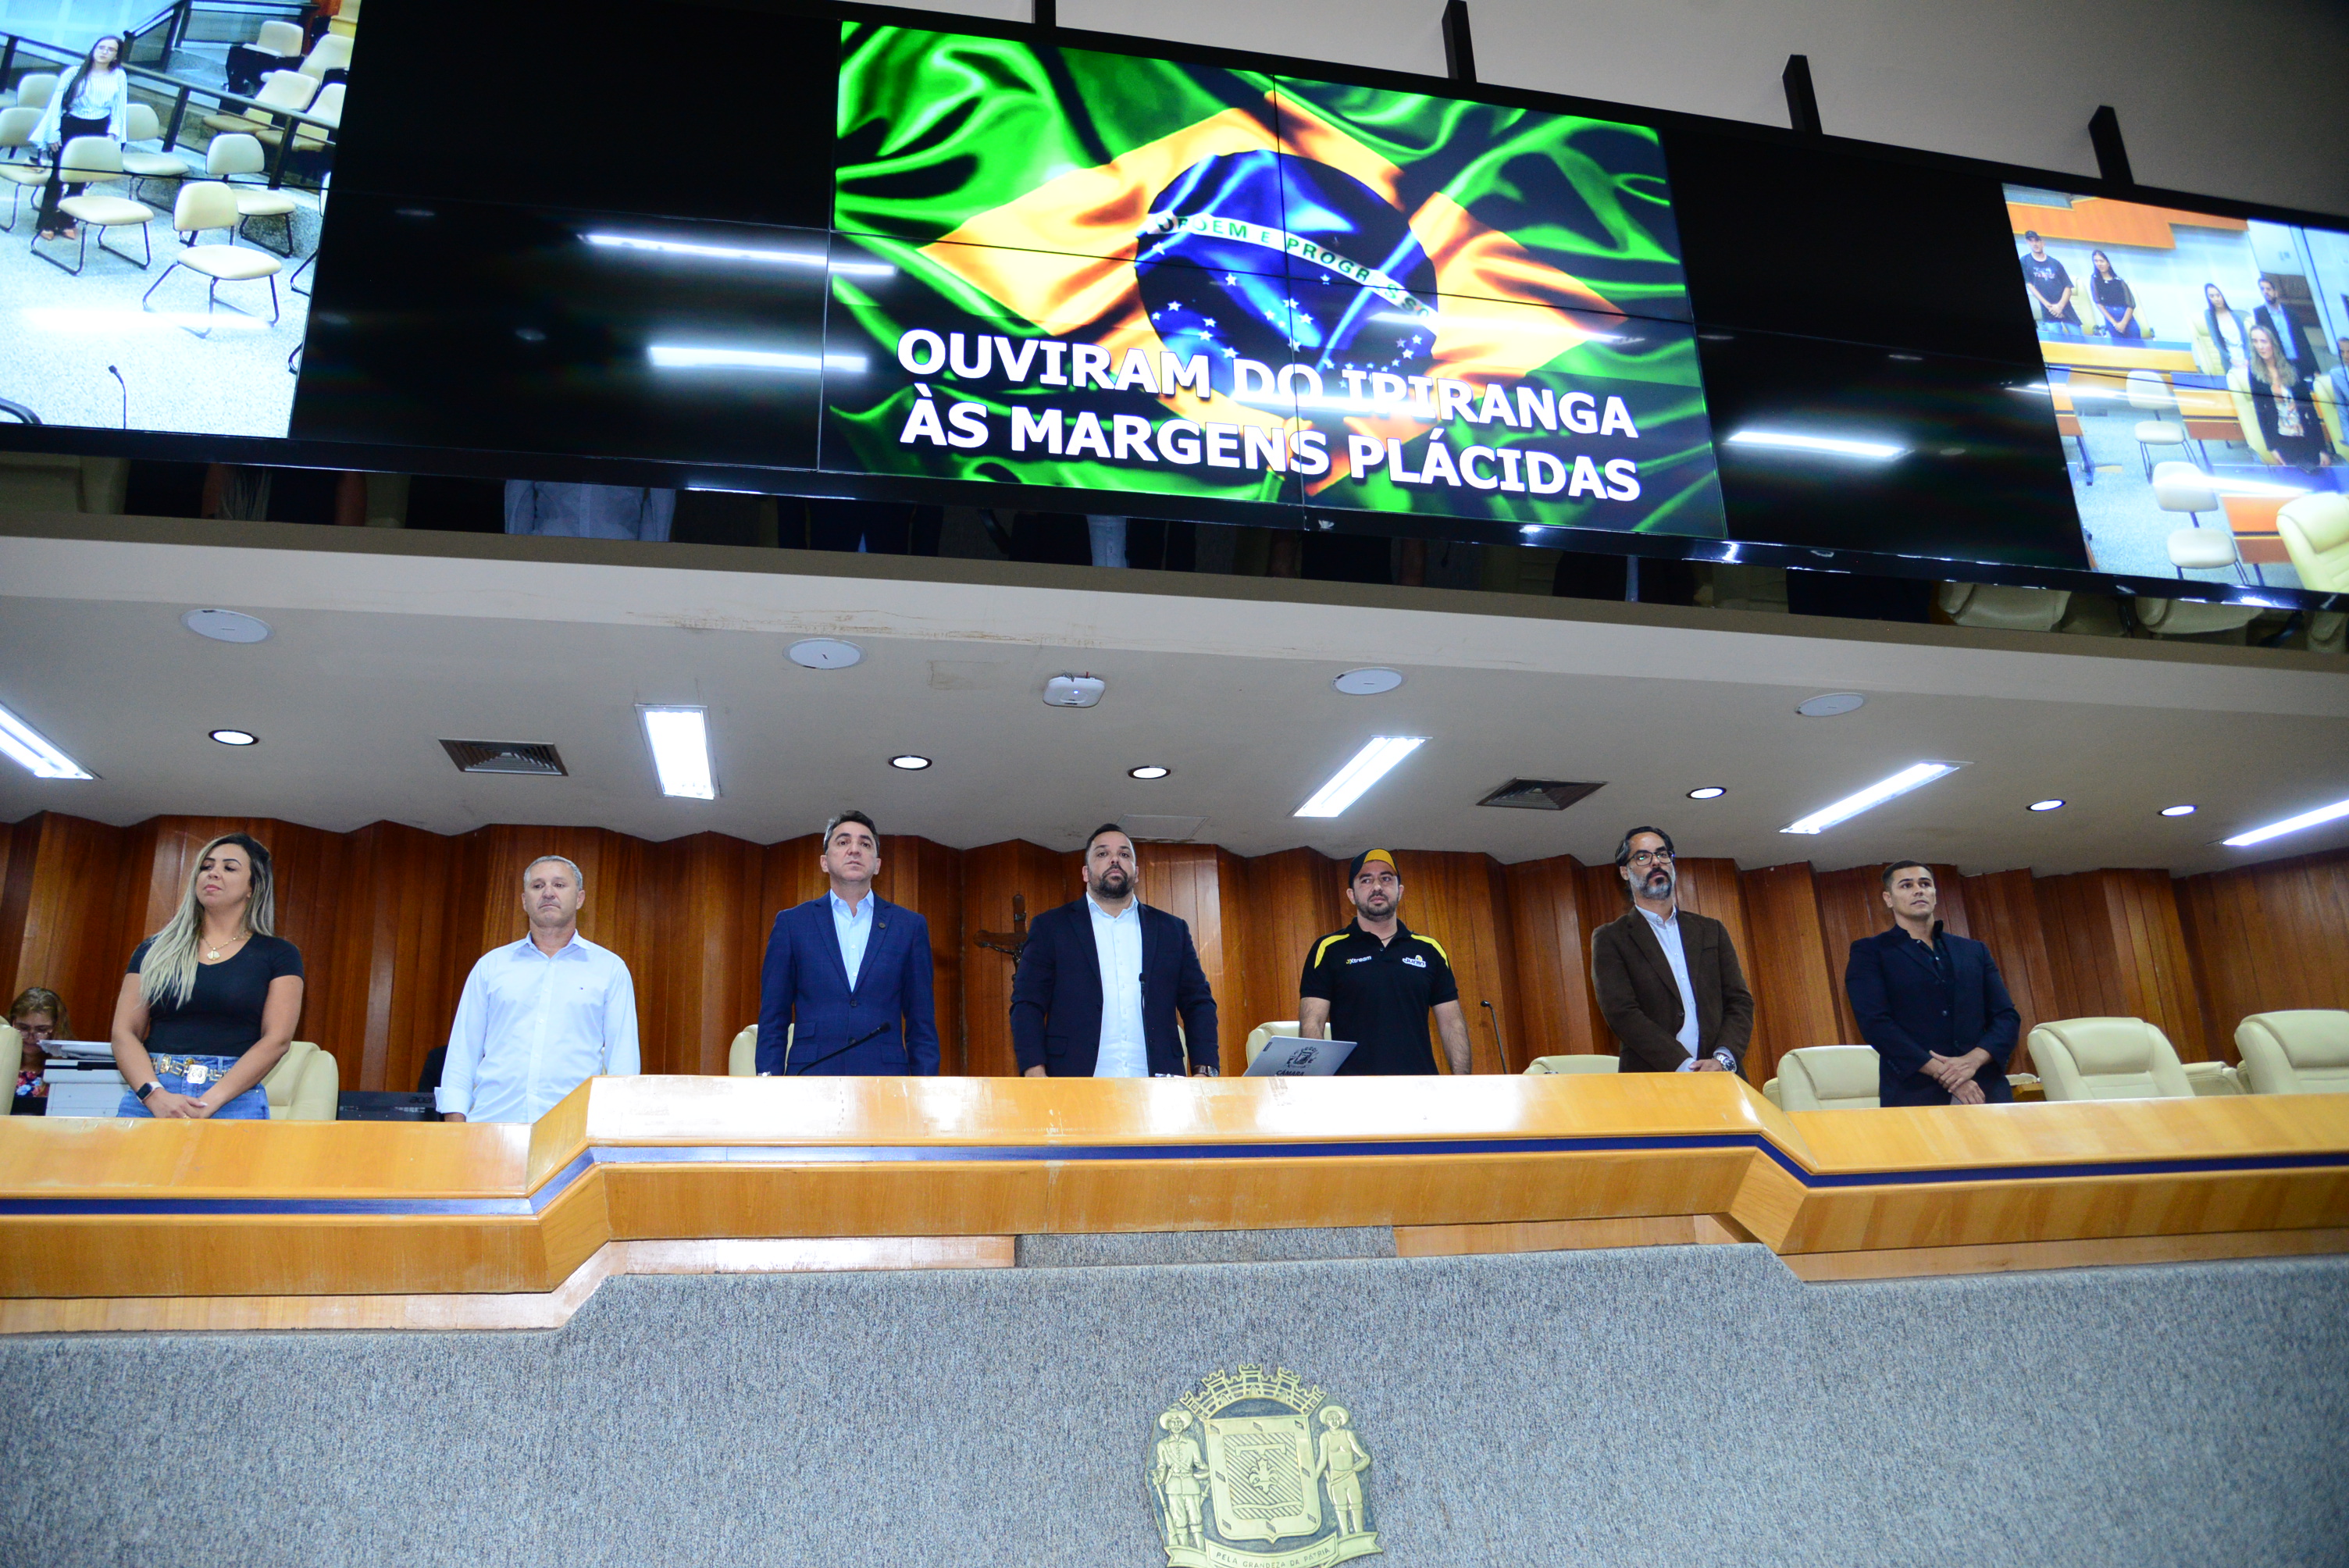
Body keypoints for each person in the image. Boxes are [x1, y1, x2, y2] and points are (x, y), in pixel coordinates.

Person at [109, 834, 304, 1121]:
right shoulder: (154, 950)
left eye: (229, 867)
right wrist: (154, 1095)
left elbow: (277, 1040)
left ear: (252, 887)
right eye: (206, 866)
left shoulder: (279, 954)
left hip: (233, 1098)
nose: (213, 873)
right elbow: (124, 1032)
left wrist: (208, 1102)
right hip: (153, 1094)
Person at [438, 855, 639, 1123]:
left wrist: (617, 1129)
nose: (548, 893)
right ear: (524, 901)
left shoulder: (609, 969)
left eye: (559, 885)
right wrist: (454, 1127)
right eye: (538, 886)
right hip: (492, 1124)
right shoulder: (491, 966)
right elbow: (463, 1051)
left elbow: (623, 1061)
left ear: (579, 898)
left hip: (574, 1130)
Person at [1010, 824, 1220, 1078]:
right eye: (1102, 854)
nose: (1114, 859)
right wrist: (1034, 1072)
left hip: (1159, 1084)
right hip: (1074, 1081)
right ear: (1085, 873)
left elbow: (1198, 1003)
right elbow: (1027, 1003)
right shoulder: (1052, 927)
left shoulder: (1171, 930)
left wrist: (1204, 1070)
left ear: (1137, 872)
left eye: (1124, 854)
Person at [755, 811, 939, 1075]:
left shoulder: (909, 926)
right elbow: (774, 1016)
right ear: (824, 862)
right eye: (843, 842)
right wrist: (767, 1082)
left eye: (865, 844)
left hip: (885, 1078)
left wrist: (926, 1088)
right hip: (810, 1075)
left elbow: (921, 1021)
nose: (854, 850)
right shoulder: (792, 923)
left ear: (877, 864)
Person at [1845, 861, 2019, 1107]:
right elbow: (1875, 1024)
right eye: (1907, 885)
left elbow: (2006, 1017)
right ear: (1888, 899)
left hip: (1985, 1087)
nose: (1919, 890)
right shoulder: (1871, 951)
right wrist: (1946, 1073)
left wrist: (1973, 1061)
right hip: (1916, 1093)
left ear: (1935, 894)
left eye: (1925, 884)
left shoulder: (1973, 950)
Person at [1588, 827, 1753, 1074]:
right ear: (1625, 872)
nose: (1656, 862)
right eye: (1643, 857)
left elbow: (1739, 1001)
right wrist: (1685, 1067)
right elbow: (1622, 1013)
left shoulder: (1711, 930)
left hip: (1720, 1076)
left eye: (1662, 854)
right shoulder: (1611, 938)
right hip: (1653, 1079)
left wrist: (1722, 1059)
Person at [1296, 850, 1472, 1074]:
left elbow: (1452, 1024)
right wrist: (1315, 1086)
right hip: (1352, 1089)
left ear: (1400, 891)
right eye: (1366, 880)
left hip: (1421, 1087)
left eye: (1386, 878)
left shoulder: (1429, 950)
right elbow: (1312, 1023)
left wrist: (1463, 1084)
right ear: (1351, 895)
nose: (1377, 887)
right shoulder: (1328, 949)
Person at [30, 34, 130, 244]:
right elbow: (55, 105)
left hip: (98, 127)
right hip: (71, 125)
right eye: (101, 47)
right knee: (58, 175)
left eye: (111, 50)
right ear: (94, 49)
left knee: (80, 176)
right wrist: (53, 132)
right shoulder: (73, 73)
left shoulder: (119, 75)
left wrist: (112, 135)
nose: (104, 52)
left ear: (116, 56)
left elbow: (119, 108)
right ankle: (46, 220)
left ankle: (67, 220)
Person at [2245, 325, 2338, 472]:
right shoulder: (2254, 373)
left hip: (2307, 436)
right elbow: (2261, 414)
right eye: (2255, 341)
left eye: (2264, 341)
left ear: (2274, 343)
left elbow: (2310, 410)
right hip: (2282, 440)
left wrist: (2322, 449)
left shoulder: (2293, 367)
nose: (2260, 346)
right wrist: (2271, 447)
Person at [503, 480, 676, 542]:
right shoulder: (548, 420)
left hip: (619, 550)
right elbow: (519, 486)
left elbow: (661, 490)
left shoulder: (636, 423)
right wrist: (517, 549)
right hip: (549, 544)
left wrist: (651, 555)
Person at [9, 987, 67, 1115]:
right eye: (23, 1028)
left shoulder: (68, 1070)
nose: (31, 1037)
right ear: (13, 1023)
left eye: (41, 1030)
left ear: (56, 1028)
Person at [2252, 278, 2318, 372]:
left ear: (2276, 292)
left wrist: (2315, 369)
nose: (2265, 292)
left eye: (2268, 289)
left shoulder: (2290, 313)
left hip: (2299, 361)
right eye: (2262, 289)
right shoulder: (2260, 314)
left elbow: (2303, 342)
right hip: (2280, 365)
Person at [2019, 232, 2078, 330]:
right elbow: (2030, 285)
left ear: (2043, 242)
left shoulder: (2055, 263)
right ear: (2027, 242)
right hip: (2048, 310)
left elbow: (2068, 286)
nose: (2035, 244)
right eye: (2031, 241)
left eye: (2037, 240)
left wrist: (2060, 306)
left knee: (2077, 335)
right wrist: (2048, 306)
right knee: (2055, 337)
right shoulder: (2025, 261)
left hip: (2065, 308)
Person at [2087, 251, 2143, 339]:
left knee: (2136, 342)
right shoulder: (2095, 280)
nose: (2099, 264)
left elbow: (2131, 304)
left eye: (2101, 261)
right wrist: (2114, 323)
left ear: (2108, 263)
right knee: (2118, 344)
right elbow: (2098, 303)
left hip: (2126, 316)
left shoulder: (2119, 281)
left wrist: (2123, 323)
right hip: (2111, 318)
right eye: (2096, 261)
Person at [2203, 284, 2248, 371]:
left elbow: (2246, 340)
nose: (2216, 299)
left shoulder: (2236, 316)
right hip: (2230, 360)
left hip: (2245, 358)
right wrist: (2231, 360)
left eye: (2218, 295)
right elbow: (2217, 342)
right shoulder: (2209, 315)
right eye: (2212, 296)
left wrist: (2247, 359)